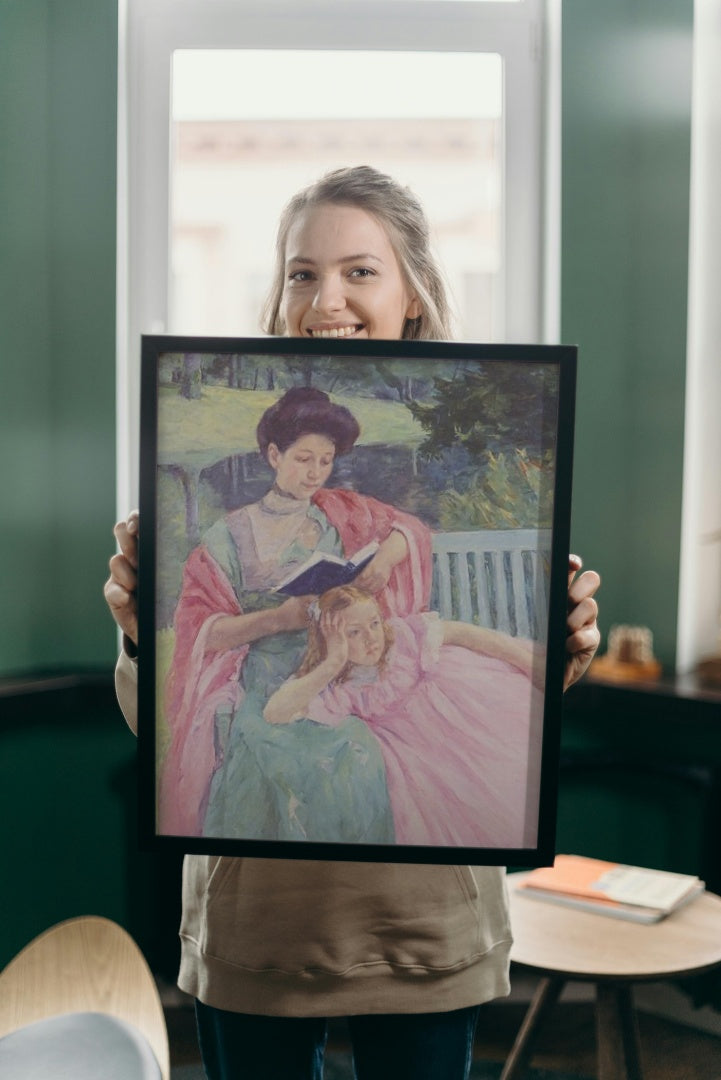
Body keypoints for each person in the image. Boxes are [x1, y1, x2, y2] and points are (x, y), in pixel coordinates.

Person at [105, 165, 601, 1080]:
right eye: (301, 272)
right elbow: (165, 710)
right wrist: (144, 630)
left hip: (418, 915)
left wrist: (561, 643)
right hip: (260, 914)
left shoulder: (360, 517)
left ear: (412, 292)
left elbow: (419, 646)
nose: (324, 297)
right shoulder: (214, 534)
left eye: (359, 271)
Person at [161, 385, 431, 842]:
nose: (315, 474)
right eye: (304, 459)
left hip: (340, 672)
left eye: (325, 461)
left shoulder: (339, 512)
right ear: (273, 455)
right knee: (287, 758)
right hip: (269, 683)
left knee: (360, 746)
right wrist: (278, 619)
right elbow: (201, 631)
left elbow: (413, 530)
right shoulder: (228, 536)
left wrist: (383, 562)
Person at [263, 584, 545, 849]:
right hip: (414, 751)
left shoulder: (403, 637)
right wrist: (333, 661)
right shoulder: (340, 686)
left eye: (374, 624)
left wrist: (529, 665)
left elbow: (468, 635)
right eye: (354, 632)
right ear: (331, 640)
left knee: (505, 762)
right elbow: (274, 712)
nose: (371, 637)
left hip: (457, 709)